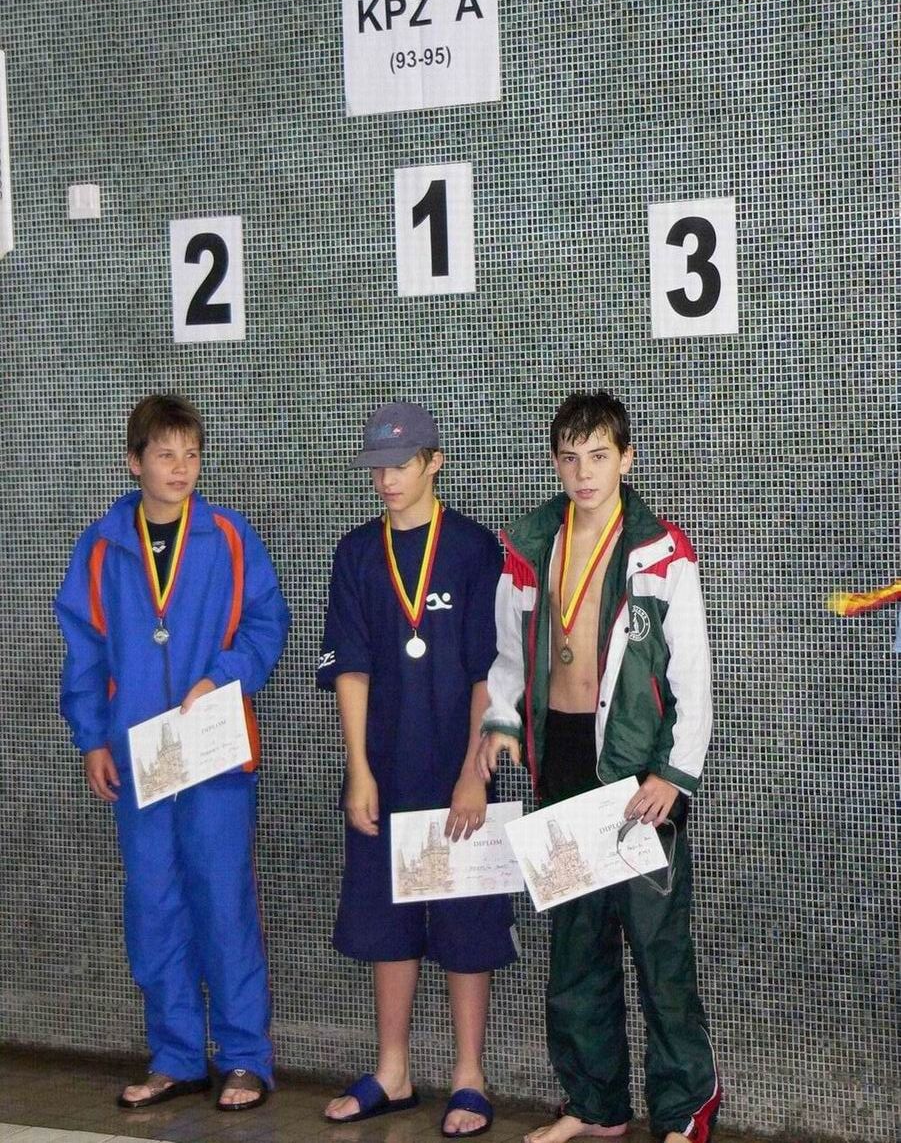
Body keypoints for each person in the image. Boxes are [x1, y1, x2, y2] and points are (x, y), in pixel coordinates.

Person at [477, 392, 721, 1143]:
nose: (583, 473)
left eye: (598, 456)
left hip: (635, 773)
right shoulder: (530, 546)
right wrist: (501, 721)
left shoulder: (660, 553)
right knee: (577, 949)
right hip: (561, 760)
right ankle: (595, 1105)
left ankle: (685, 1108)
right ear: (555, 463)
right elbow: (509, 656)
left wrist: (673, 774)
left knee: (656, 948)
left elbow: (693, 676)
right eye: (569, 458)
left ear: (626, 459)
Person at [54, 394, 290, 1112]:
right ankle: (178, 1057)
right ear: (135, 463)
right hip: (138, 760)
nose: (181, 468)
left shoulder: (228, 536)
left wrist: (223, 674)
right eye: (165, 455)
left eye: (191, 454)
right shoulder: (102, 547)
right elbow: (84, 651)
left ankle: (244, 1058)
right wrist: (93, 737)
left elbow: (266, 622)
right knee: (154, 906)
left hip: (214, 754)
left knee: (225, 903)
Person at [317, 401, 519, 1139]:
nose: (386, 480)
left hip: (456, 763)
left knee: (467, 920)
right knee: (387, 920)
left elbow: (489, 669)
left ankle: (469, 1075)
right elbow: (351, 669)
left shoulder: (472, 549)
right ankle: (393, 1070)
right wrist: (359, 770)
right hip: (386, 765)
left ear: (435, 462)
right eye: (376, 467)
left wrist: (473, 772)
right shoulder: (355, 554)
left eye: (401, 465)